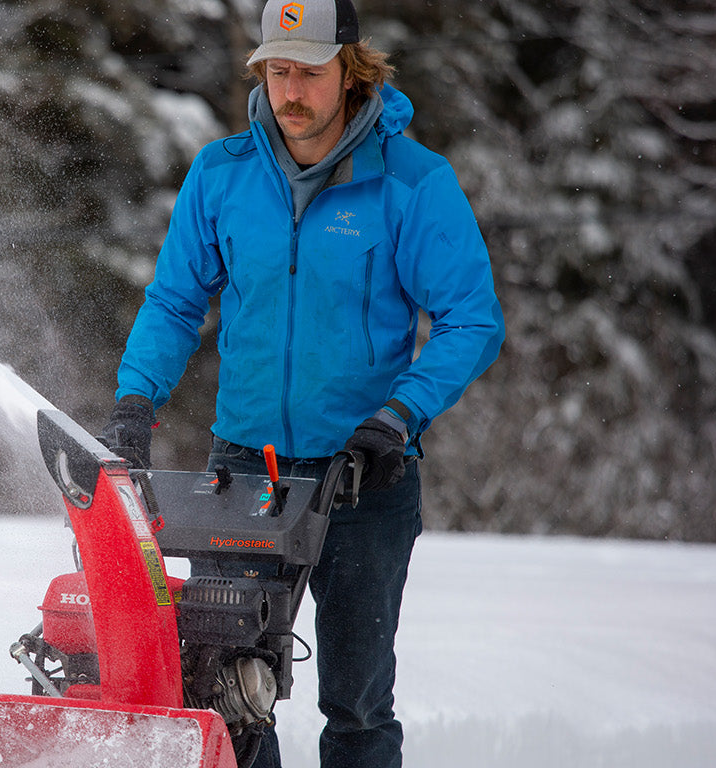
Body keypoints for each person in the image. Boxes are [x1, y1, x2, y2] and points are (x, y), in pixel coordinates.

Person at [101, 0, 505, 766]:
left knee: (354, 704)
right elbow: (176, 302)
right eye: (277, 71)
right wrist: (134, 400)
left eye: (310, 74)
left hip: (364, 483)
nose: (291, 92)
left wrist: (399, 415)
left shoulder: (412, 185)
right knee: (231, 694)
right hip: (244, 478)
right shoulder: (223, 175)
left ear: (352, 74)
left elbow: (472, 320)